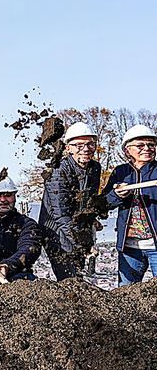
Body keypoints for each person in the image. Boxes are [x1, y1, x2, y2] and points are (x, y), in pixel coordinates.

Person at [37, 122, 104, 281]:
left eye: (90, 144)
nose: (86, 149)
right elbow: (61, 215)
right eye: (79, 145)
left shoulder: (94, 168)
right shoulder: (58, 170)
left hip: (77, 228)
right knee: (70, 279)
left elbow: (89, 201)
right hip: (55, 230)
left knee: (79, 277)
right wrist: (83, 244)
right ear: (68, 148)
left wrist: (92, 219)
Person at [104, 124, 157, 285]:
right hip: (130, 248)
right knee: (125, 294)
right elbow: (104, 203)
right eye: (140, 145)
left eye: (151, 145)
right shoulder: (120, 172)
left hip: (155, 246)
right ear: (127, 150)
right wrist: (116, 195)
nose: (146, 148)